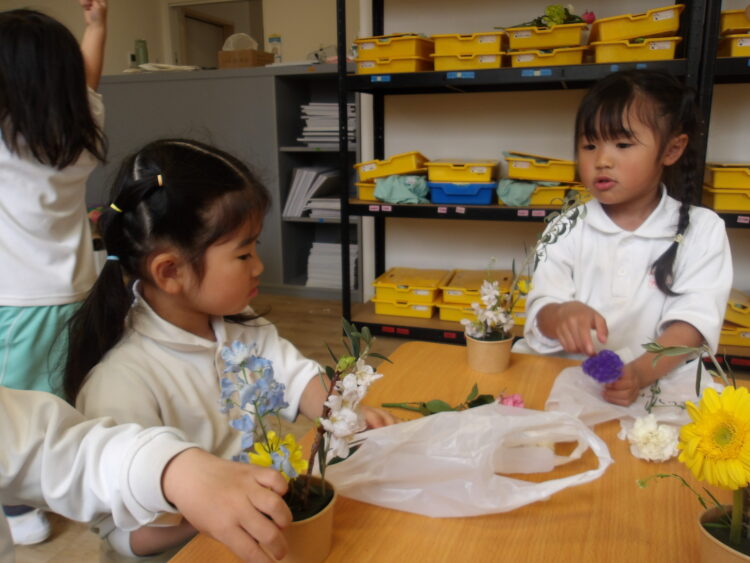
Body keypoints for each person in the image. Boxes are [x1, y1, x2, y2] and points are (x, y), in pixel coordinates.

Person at [63, 138, 395, 559]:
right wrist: (217, 509)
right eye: (243, 254)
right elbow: (126, 536)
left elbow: (296, 378)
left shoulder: (239, 324)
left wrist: (343, 415)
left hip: (256, 527)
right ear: (170, 271)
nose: (259, 266)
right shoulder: (120, 383)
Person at [521, 69, 732, 407]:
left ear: (672, 149)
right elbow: (540, 310)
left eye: (622, 144)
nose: (602, 160)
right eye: (589, 145)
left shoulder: (703, 229)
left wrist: (638, 373)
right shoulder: (567, 226)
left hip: (658, 383)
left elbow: (692, 325)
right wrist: (559, 315)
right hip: (567, 377)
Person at [0, 1, 107, 544]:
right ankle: (65, 480)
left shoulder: (6, 140)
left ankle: (18, 505)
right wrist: (97, 26)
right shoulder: (83, 131)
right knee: (61, 392)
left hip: (18, 301)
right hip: (78, 290)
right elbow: (87, 78)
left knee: (14, 405)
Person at [0, 385, 292, 563]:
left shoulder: (240, 328)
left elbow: (60, 455)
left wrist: (174, 469)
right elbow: (118, 531)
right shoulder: (117, 385)